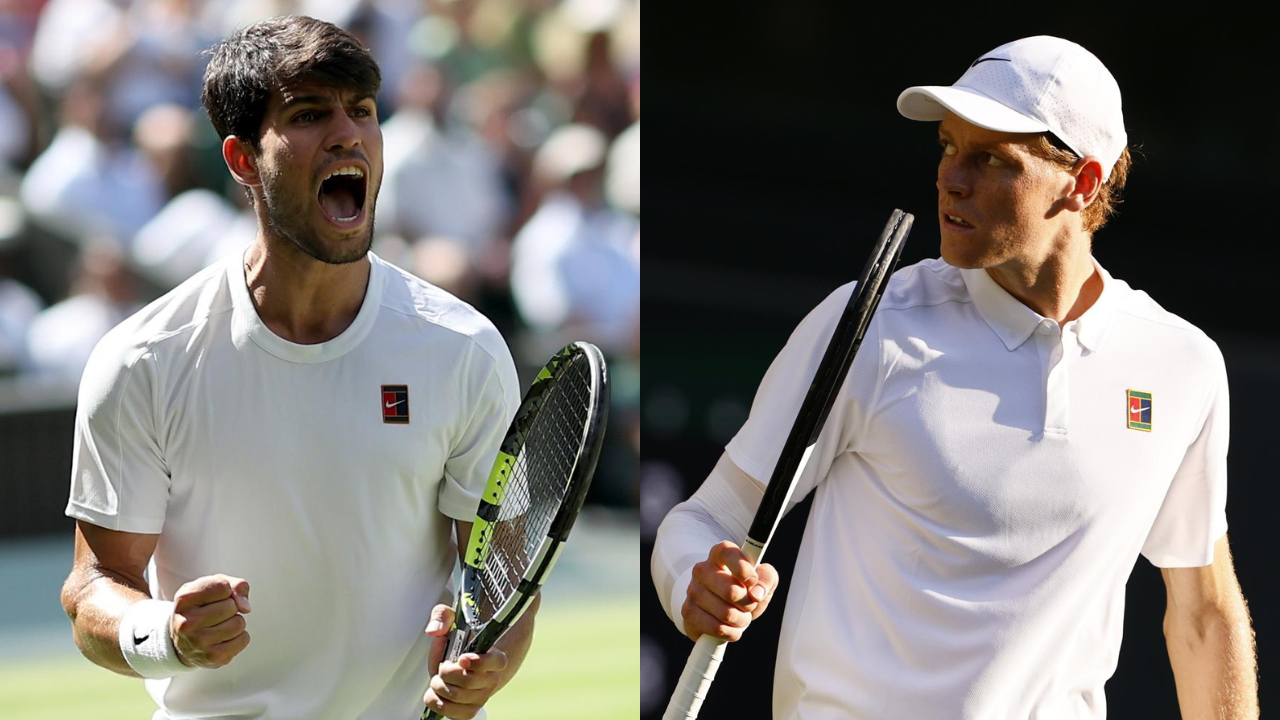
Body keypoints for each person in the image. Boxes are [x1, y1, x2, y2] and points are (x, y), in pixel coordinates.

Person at [651, 36, 1258, 719]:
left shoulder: (1182, 365)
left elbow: (1204, 614)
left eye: (992, 159)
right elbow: (699, 522)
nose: (950, 179)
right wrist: (692, 581)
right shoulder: (868, 327)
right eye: (947, 146)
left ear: (1083, 183)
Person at [59, 16, 531, 720]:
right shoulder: (144, 360)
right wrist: (168, 634)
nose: (348, 134)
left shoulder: (461, 346)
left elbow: (502, 575)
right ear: (243, 160)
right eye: (309, 114)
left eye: (363, 112)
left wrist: (486, 657)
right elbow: (97, 582)